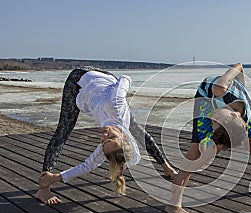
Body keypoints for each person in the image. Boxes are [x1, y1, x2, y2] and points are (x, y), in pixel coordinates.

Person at [165, 63, 251, 213]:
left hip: (229, 111)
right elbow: (239, 66)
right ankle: (173, 204)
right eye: (215, 121)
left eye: (214, 121)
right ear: (234, 115)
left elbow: (249, 145)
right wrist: (238, 81)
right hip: (206, 98)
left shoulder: (244, 120)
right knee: (195, 152)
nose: (212, 118)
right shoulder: (219, 88)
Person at [36, 67, 177, 205]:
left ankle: (166, 168)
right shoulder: (115, 103)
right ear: (124, 137)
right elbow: (126, 78)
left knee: (137, 130)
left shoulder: (111, 142)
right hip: (80, 79)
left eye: (103, 141)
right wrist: (117, 91)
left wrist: (56, 177)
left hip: (98, 89)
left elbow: (88, 165)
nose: (104, 135)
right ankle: (43, 189)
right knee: (63, 131)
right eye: (111, 138)